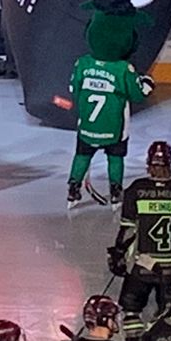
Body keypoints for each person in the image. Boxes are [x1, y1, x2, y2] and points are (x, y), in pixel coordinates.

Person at [109, 140, 171, 341]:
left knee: (131, 309)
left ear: (148, 164)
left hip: (144, 264)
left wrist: (118, 253)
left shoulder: (136, 190)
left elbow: (128, 230)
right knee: (168, 311)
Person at [65, 25, 153, 209]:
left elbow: (74, 90)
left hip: (87, 125)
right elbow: (138, 95)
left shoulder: (82, 63)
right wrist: (148, 84)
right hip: (114, 127)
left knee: (82, 155)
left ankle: (73, 188)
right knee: (115, 157)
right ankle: (115, 191)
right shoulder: (123, 68)